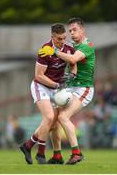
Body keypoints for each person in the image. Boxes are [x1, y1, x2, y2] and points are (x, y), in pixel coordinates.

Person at [39, 17, 95, 164]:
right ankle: (57, 155)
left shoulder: (87, 46)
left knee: (63, 117)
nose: (72, 33)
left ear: (82, 30)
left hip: (84, 88)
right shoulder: (70, 45)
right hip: (70, 88)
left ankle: (77, 153)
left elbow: (73, 60)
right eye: (70, 30)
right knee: (54, 119)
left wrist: (54, 50)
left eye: (75, 30)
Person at [19, 23, 75, 164]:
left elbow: (73, 62)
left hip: (56, 89)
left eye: (63, 38)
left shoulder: (68, 49)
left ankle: (28, 145)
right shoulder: (45, 50)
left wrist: (72, 74)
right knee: (49, 117)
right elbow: (39, 76)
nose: (62, 42)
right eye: (58, 39)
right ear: (52, 37)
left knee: (54, 124)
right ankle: (41, 154)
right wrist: (56, 84)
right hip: (41, 86)